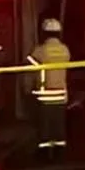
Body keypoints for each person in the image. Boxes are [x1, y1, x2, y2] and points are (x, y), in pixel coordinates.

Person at [29, 18, 71, 157]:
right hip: (61, 93)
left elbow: (30, 63)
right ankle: (60, 151)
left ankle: (45, 152)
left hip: (44, 93)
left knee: (45, 125)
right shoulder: (65, 49)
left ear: (44, 33)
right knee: (59, 124)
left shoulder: (41, 50)